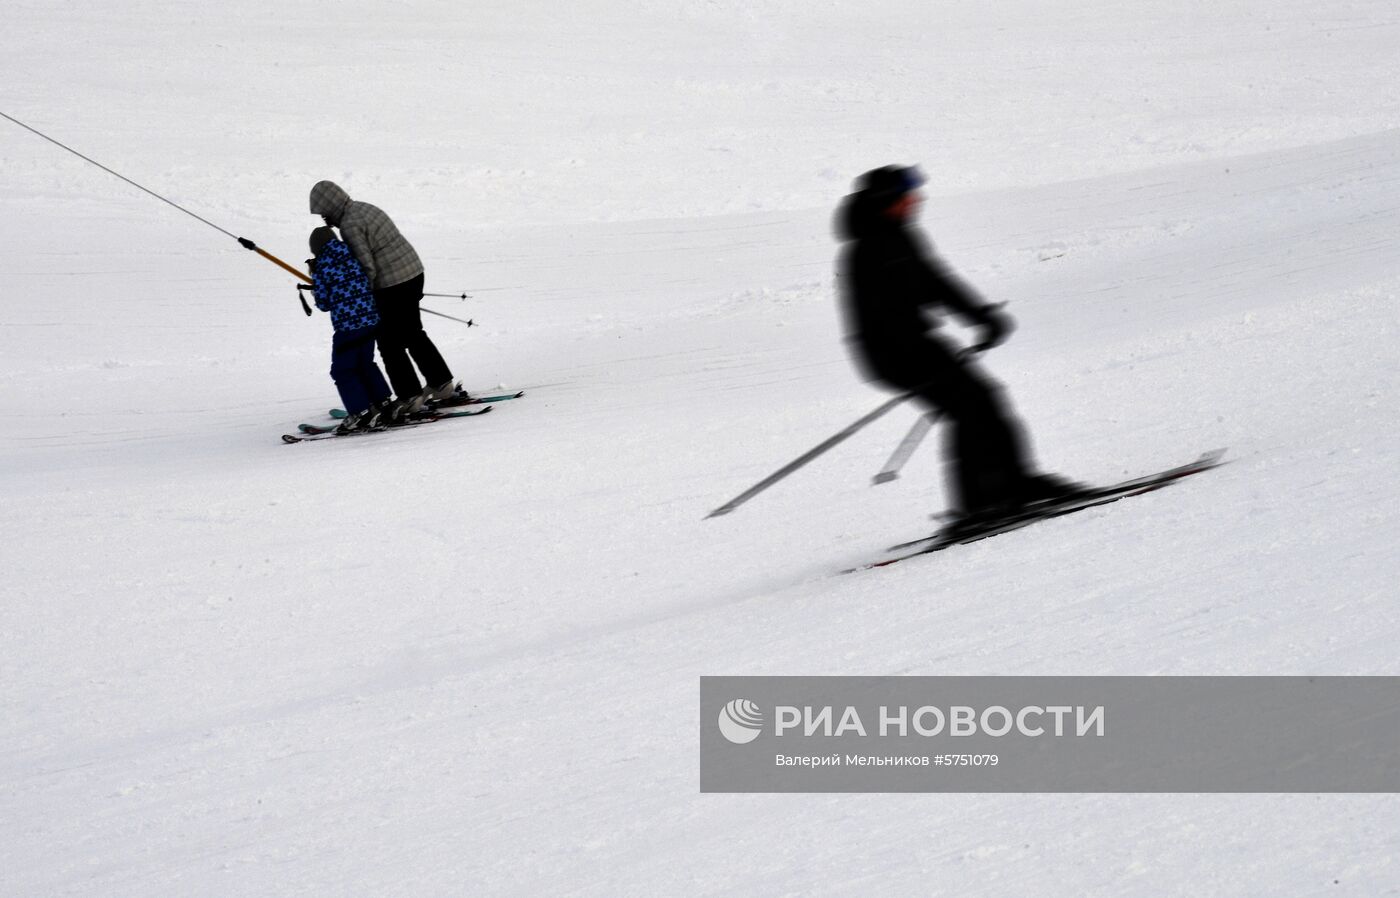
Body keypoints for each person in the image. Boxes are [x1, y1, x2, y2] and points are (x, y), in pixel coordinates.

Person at [836, 165, 1083, 528]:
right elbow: (902, 303)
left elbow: (935, 281)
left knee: (985, 400)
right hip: (891, 352)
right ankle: (977, 505)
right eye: (907, 196)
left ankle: (1016, 483)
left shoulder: (898, 235)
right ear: (886, 202)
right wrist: (956, 332)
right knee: (969, 409)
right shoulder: (869, 249)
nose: (915, 201)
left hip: (915, 345)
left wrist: (981, 316)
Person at [308, 181, 455, 422]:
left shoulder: (350, 225)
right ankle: (441, 384)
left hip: (392, 283)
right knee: (413, 333)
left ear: (332, 206)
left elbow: (366, 267)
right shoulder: (364, 208)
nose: (326, 220)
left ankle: (410, 396)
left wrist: (353, 295)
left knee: (389, 342)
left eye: (325, 214)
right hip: (413, 273)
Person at [308, 227, 394, 433]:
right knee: (365, 364)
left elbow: (323, 303)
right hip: (370, 321)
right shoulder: (352, 254)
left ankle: (360, 412)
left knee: (342, 370)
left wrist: (315, 279)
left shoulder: (322, 266)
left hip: (348, 327)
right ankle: (382, 403)